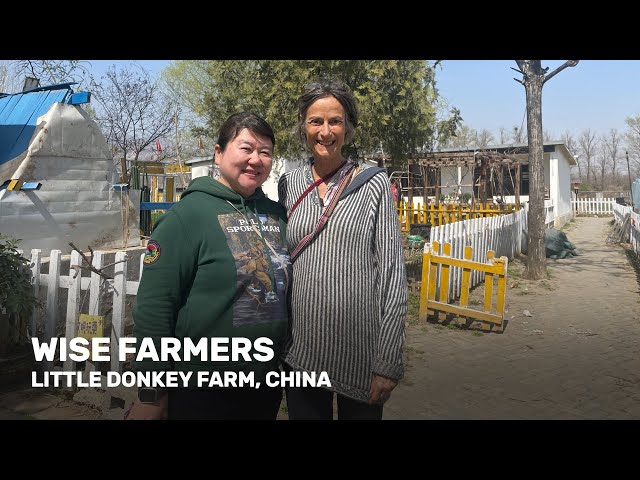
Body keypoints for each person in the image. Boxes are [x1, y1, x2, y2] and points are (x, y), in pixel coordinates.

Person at [127, 112, 291, 420]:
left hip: (264, 382)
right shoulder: (186, 217)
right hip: (202, 387)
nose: (255, 159)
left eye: (265, 152)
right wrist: (151, 391)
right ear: (219, 153)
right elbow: (154, 307)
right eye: (246, 148)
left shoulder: (276, 215)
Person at [277, 79, 407, 420]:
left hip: (361, 356)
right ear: (303, 127)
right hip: (301, 353)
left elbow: (393, 275)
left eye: (335, 121)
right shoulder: (288, 184)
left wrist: (389, 360)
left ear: (348, 127)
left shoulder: (373, 182)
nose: (325, 131)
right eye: (315, 121)